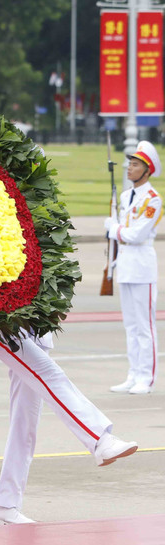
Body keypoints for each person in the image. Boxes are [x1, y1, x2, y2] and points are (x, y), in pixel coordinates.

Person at [0, 332, 139, 525]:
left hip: (32, 326)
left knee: (25, 421)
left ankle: (6, 505)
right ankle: (100, 440)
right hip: (3, 325)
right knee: (51, 375)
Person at [105, 140, 161, 395]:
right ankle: (133, 373)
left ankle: (145, 378)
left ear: (147, 170)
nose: (129, 168)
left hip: (142, 265)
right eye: (129, 164)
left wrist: (113, 229)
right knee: (130, 325)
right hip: (126, 264)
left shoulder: (153, 200)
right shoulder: (126, 196)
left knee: (144, 326)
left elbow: (136, 235)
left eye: (135, 165)